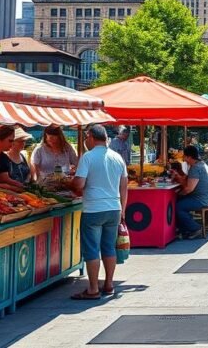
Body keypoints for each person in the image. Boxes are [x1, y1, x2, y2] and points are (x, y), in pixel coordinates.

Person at [69, 124, 127, 300]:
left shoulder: (88, 157)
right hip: (114, 208)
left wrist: (70, 184)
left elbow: (78, 185)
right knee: (109, 247)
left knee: (92, 249)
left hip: (94, 208)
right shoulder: (117, 158)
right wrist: (122, 211)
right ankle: (109, 284)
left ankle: (93, 288)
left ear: (90, 137)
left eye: (87, 138)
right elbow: (124, 187)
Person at [173, 145, 208, 238]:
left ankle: (195, 228)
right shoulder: (201, 164)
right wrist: (179, 177)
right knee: (180, 202)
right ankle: (184, 229)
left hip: (202, 200)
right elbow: (188, 182)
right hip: (207, 197)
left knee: (178, 207)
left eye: (185, 156)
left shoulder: (195, 168)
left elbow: (189, 189)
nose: (184, 159)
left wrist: (179, 193)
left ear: (189, 157)